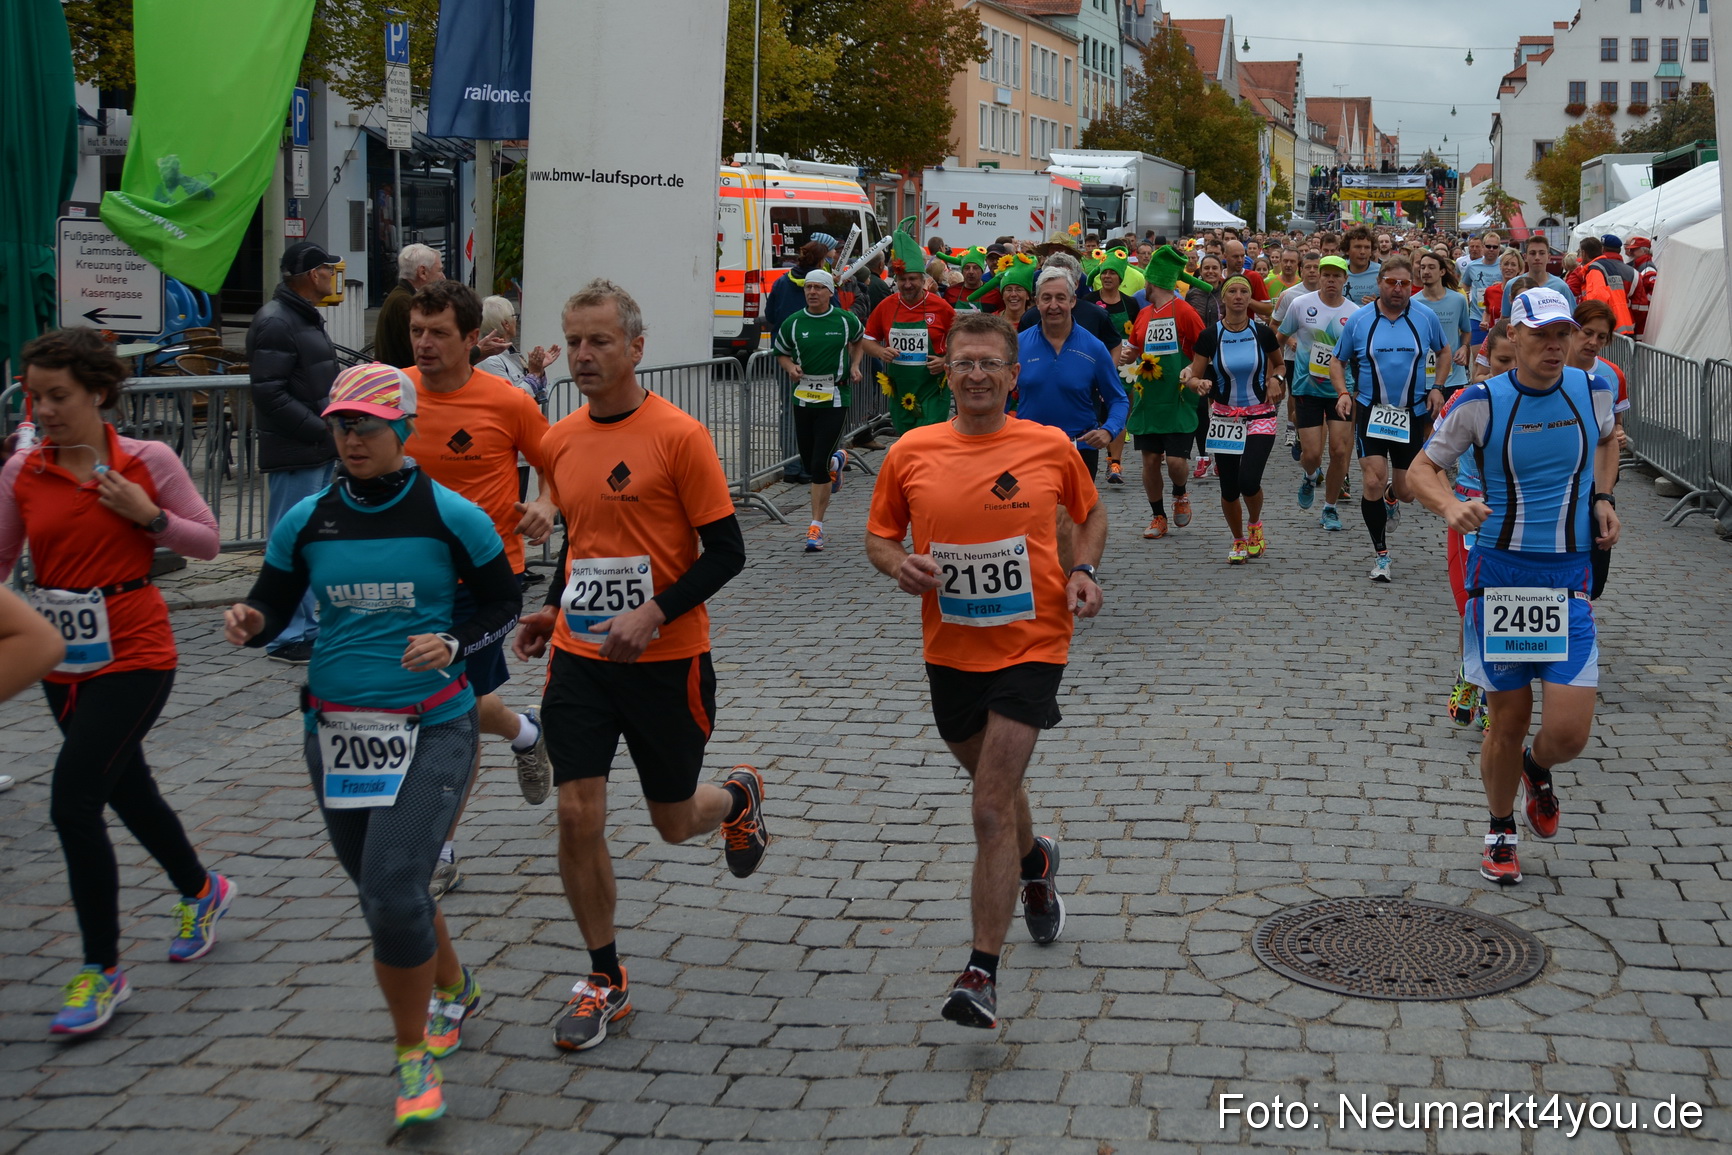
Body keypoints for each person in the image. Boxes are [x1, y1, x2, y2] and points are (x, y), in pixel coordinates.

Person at [224, 362, 521, 1127]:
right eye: (340, 425)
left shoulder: (452, 515)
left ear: (402, 429)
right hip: (335, 729)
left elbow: (501, 600)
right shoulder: (307, 519)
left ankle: (412, 1051)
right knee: (389, 889)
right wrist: (252, 621)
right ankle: (455, 987)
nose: (351, 438)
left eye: (366, 425)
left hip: (433, 723)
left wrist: (452, 643)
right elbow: (272, 600)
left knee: (390, 888)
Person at [510, 279, 766, 1054]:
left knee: (673, 820)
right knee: (577, 812)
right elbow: (583, 545)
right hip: (581, 658)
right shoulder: (560, 439)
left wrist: (654, 611)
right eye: (573, 341)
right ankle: (604, 975)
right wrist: (552, 607)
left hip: (667, 660)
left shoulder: (679, 436)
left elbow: (727, 550)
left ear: (636, 347)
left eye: (599, 341)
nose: (583, 355)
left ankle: (737, 798)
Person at [864, 311, 1105, 1030]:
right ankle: (1035, 863)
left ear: (1012, 375)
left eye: (989, 364)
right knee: (995, 789)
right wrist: (898, 565)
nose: (976, 375)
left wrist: (1084, 569)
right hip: (951, 649)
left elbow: (1090, 516)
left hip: (1034, 643)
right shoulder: (911, 450)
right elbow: (879, 535)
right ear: (947, 371)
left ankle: (980, 973)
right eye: (964, 362)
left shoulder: (1049, 445)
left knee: (989, 805)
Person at [2, 329, 231, 1037]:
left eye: (58, 396)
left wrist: (148, 516)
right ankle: (201, 888)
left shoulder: (147, 459)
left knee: (74, 801)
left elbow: (207, 540)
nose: (44, 410)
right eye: (34, 397)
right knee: (127, 789)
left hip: (136, 653)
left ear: (98, 393)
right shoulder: (23, 471)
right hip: (58, 660)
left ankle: (101, 969)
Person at [1410, 288, 1620, 886]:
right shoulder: (1480, 401)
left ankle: (1537, 766)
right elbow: (1423, 469)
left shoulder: (1592, 388)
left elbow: (1608, 439)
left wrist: (1604, 497)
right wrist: (1451, 506)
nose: (1554, 346)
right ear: (1513, 336)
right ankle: (1500, 829)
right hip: (1502, 578)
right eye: (1541, 335)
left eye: (1562, 334)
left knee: (1569, 732)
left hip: (1569, 575)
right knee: (1507, 720)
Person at [401, 281, 556, 895]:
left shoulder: (507, 401)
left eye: (438, 333)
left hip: (484, 579)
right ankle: (526, 731)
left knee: (452, 710)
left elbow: (556, 462)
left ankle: (437, 848)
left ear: (472, 338)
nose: (424, 343)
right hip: (407, 579)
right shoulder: (393, 392)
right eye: (417, 331)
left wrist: (546, 503)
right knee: (442, 702)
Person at [1328, 256, 1450, 582]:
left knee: (1409, 491)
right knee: (1372, 480)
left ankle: (1392, 496)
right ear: (1380, 282)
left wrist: (1438, 386)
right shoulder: (1359, 320)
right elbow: (1337, 361)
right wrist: (1342, 393)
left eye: (1405, 283)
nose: (1398, 289)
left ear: (1412, 285)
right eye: (1391, 282)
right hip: (1371, 410)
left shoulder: (1425, 317)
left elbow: (1445, 351)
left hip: (1412, 413)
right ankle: (1381, 554)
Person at [248, 240, 341, 665]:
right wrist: (320, 427)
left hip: (313, 448)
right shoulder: (277, 320)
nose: (333, 276)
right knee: (290, 539)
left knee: (309, 539)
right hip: (297, 449)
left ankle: (302, 624)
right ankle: (286, 633)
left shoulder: (300, 315)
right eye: (328, 269)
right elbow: (269, 392)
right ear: (311, 275)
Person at [1442, 321, 1517, 731]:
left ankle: (1492, 691)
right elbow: (1429, 463)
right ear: (1486, 358)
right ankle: (1470, 670)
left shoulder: (1550, 401)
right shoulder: (1468, 398)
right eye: (1503, 361)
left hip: (1521, 518)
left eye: (1518, 361)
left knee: (1506, 607)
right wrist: (1450, 504)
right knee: (1472, 606)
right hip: (1471, 512)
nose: (1511, 370)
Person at [1190, 275, 1285, 562]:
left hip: (1260, 414)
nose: (1239, 296)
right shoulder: (1210, 336)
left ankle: (1254, 524)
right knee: (1229, 487)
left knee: (1249, 480)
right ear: (1224, 298)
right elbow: (1194, 376)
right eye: (1233, 291)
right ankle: (1238, 539)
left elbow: (1280, 365)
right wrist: (1198, 384)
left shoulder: (1262, 333)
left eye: (1244, 291)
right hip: (1225, 418)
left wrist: (1276, 379)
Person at [773, 268, 866, 551]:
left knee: (817, 467)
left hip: (835, 396)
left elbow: (859, 341)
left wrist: (854, 365)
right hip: (803, 397)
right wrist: (790, 367)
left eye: (818, 287)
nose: (812, 292)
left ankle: (816, 527)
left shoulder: (845, 319)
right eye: (808, 287)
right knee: (809, 458)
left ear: (830, 292)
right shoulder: (793, 322)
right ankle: (837, 461)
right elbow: (782, 353)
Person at [1122, 247, 1211, 538]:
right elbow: (1134, 347)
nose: (1144, 287)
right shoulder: (1143, 314)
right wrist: (1127, 355)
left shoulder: (1184, 311)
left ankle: (1180, 493)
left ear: (1152, 282)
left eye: (1147, 282)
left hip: (1178, 397)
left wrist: (1193, 372)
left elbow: (1205, 348)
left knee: (1175, 462)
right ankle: (1158, 516)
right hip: (1148, 399)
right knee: (1149, 460)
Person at [1014, 268, 1129, 481]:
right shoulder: (1017, 345)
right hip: (1029, 449)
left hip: (1080, 449)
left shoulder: (1094, 348)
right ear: (1037, 302)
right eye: (1046, 298)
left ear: (1073, 301)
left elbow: (1118, 399)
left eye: (1061, 298)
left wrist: (1108, 430)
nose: (1053, 305)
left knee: (1077, 505)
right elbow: (1000, 396)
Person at [1279, 255, 1359, 531]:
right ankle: (1310, 475)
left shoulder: (1355, 313)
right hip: (1307, 388)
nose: (1331, 280)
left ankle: (1330, 508)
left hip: (1341, 391)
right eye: (1327, 275)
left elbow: (1360, 354)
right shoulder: (1301, 304)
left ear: (1345, 279)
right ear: (1319, 277)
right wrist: (1276, 372)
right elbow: (1279, 338)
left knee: (1339, 451)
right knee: (1311, 455)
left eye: (1337, 276)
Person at [863, 219, 956, 435]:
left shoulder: (940, 306)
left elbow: (964, 340)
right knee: (905, 439)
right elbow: (867, 340)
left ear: (923, 279)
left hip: (932, 388)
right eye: (902, 279)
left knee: (927, 438)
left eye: (912, 278)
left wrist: (946, 360)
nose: (907, 284)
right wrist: (880, 351)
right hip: (901, 391)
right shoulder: (887, 305)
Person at [1569, 299, 1629, 600]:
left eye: (1601, 337)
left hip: (1594, 482)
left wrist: (1618, 435)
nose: (1593, 342)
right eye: (1587, 332)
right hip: (1555, 480)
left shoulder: (1612, 375)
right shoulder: (1546, 366)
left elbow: (1614, 429)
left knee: (1594, 575)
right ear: (1572, 329)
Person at [1092, 251, 1146, 484]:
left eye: (1112, 273)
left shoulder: (1131, 303)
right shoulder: (1089, 301)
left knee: (1120, 411)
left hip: (1125, 366)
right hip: (1096, 363)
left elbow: (1138, 333)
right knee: (1100, 414)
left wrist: (1133, 353)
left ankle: (1115, 463)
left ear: (1120, 277)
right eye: (1104, 272)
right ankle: (1107, 457)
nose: (1107, 276)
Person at [376, 243, 445, 369]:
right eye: (439, 270)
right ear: (422, 272)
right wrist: (475, 353)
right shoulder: (405, 303)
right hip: (403, 378)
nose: (443, 277)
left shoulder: (402, 297)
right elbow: (424, 355)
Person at [1416, 251, 1472, 401]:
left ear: (1442, 271)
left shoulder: (1458, 300)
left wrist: (1464, 347)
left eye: (1431, 267)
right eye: (1423, 267)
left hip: (1454, 377)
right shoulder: (1413, 303)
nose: (1426, 271)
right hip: (1423, 379)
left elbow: (1466, 330)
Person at [765, 240, 833, 340]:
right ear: (820, 262)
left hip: (783, 340)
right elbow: (835, 313)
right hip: (815, 342)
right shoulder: (824, 284)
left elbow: (770, 316)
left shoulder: (781, 282)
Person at [1574, 236, 1636, 337]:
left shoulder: (1595, 270)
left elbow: (1597, 303)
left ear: (1584, 253)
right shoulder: (1608, 266)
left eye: (1580, 252)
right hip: (1623, 324)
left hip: (1609, 328)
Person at [1505, 237, 1575, 308]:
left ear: (1549, 257)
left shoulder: (1561, 287)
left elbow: (1572, 314)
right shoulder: (1511, 285)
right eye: (1532, 253)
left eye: (1542, 253)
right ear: (1525, 257)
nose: (1537, 257)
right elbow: (1506, 314)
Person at [1463, 233, 1505, 344]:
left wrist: (1502, 285)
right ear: (1483, 247)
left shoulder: (1504, 266)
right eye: (1488, 246)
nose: (1491, 249)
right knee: (1477, 354)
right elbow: (1465, 284)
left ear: (1499, 248)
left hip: (1498, 317)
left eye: (1495, 247)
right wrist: (1466, 296)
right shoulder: (1472, 266)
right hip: (1477, 316)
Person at [1481, 250, 1524, 329]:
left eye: (1513, 265)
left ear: (1519, 269)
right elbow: (1487, 312)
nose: (1509, 268)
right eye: (1506, 264)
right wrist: (1485, 322)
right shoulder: (1490, 291)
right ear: (1500, 266)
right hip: (1496, 335)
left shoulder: (1523, 293)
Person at [1626, 235, 1657, 339]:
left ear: (1644, 251)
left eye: (1634, 250)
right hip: (1639, 318)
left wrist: (1642, 305)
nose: (1631, 252)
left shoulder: (1647, 268)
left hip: (1643, 320)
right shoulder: (1639, 265)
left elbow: (1653, 294)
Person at [1343, 226, 1382, 305]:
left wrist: (1378, 305)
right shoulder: (1339, 270)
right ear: (1347, 250)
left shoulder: (1382, 272)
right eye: (1358, 247)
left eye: (1367, 247)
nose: (1362, 252)